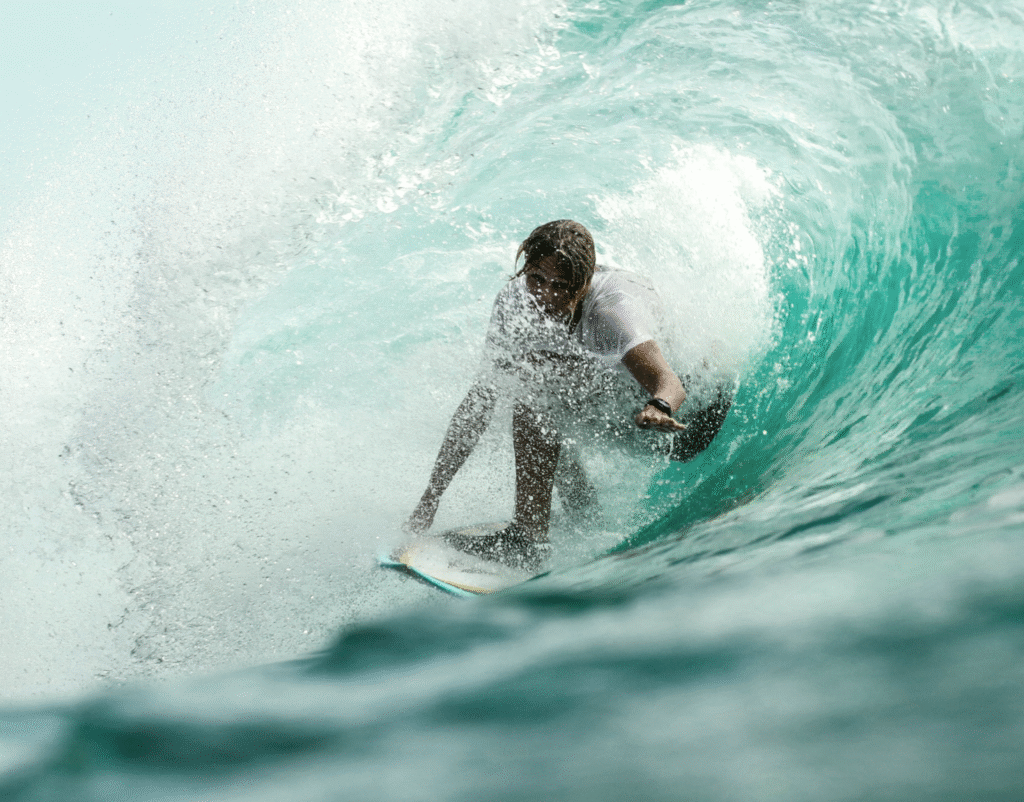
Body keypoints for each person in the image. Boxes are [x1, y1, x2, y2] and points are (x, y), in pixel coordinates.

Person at [406, 220, 731, 569]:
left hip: (688, 423)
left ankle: (529, 539)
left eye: (560, 285)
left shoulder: (613, 311)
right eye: (536, 279)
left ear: (584, 282)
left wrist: (659, 406)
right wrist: (431, 497)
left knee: (536, 400)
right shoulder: (515, 302)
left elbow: (670, 383)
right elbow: (478, 405)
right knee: (533, 384)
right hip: (624, 407)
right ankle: (580, 518)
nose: (545, 295)